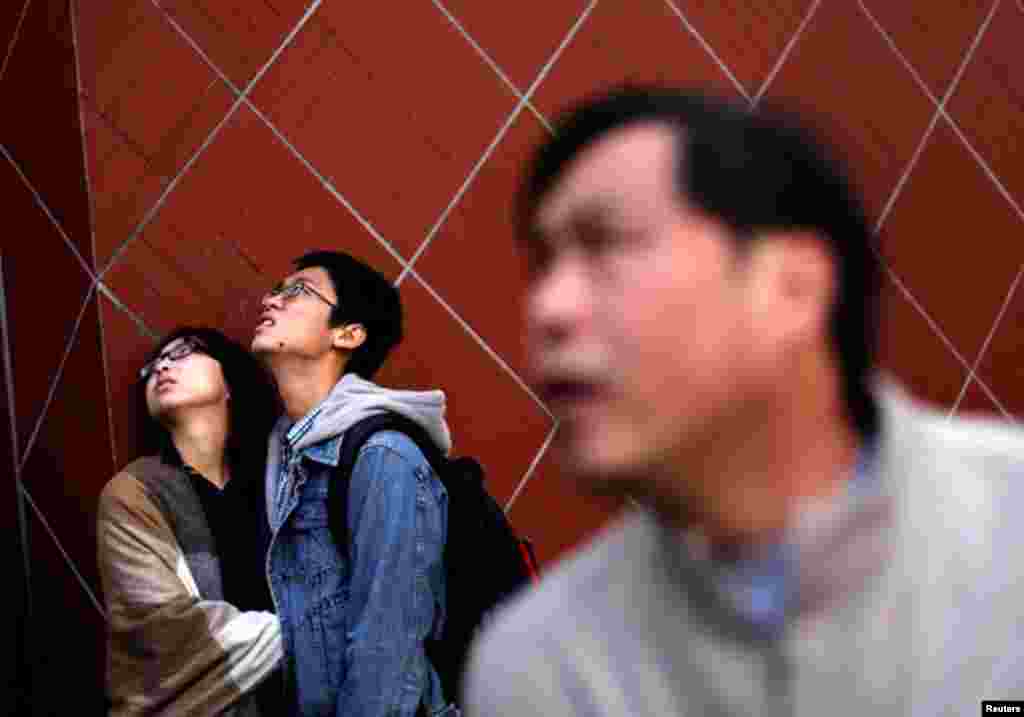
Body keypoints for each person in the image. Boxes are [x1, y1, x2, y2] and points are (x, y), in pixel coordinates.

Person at [462, 87, 1024, 716]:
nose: (548, 309)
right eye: (542, 265)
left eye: (606, 245)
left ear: (792, 286)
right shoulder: (542, 671)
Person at [252, 250, 455, 717]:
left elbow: (386, 657)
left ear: (348, 334)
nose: (271, 300)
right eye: (276, 290)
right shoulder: (280, 455)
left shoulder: (383, 456)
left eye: (297, 290)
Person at [97, 327, 284, 716]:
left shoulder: (278, 482)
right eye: (154, 364)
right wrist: (306, 633)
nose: (162, 366)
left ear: (229, 384)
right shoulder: (133, 492)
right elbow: (160, 625)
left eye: (184, 353)